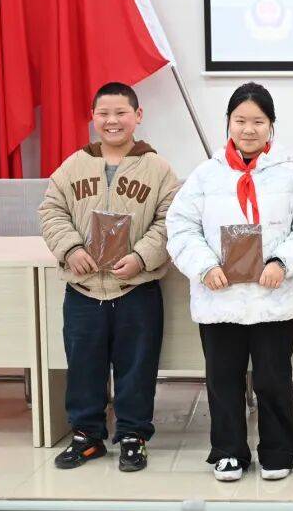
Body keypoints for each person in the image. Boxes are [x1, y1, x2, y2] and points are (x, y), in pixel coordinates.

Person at [166, 82, 293, 482]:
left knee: (273, 379)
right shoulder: (205, 176)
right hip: (219, 297)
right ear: (228, 123)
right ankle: (228, 452)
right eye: (240, 120)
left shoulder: (291, 175)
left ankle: (278, 451)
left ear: (271, 125)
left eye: (258, 121)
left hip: (273, 296)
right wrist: (205, 266)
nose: (248, 129)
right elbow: (180, 227)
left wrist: (282, 261)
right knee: (223, 379)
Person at [39, 82, 180, 472]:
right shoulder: (74, 165)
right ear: (93, 117)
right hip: (84, 289)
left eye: (121, 113)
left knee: (137, 368)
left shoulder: (158, 169)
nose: (112, 121)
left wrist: (141, 257)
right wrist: (71, 249)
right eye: (103, 113)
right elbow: (51, 211)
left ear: (138, 116)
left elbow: (171, 221)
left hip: (137, 288)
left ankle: (133, 437)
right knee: (84, 366)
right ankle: (87, 437)